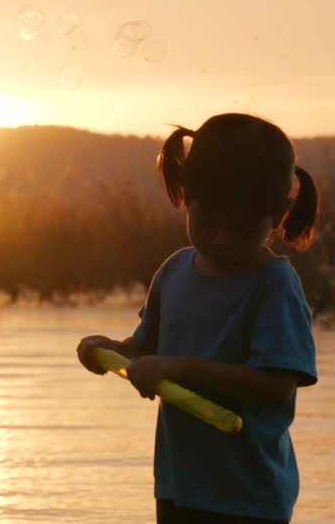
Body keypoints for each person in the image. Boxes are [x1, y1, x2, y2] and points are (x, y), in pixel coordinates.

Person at [76, 113, 321, 524]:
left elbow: (276, 385)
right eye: (207, 223)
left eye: (242, 230)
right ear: (186, 198)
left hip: (247, 498)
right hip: (177, 487)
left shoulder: (274, 285)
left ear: (278, 215)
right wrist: (110, 351)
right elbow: (145, 350)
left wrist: (177, 368)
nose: (222, 240)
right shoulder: (174, 272)